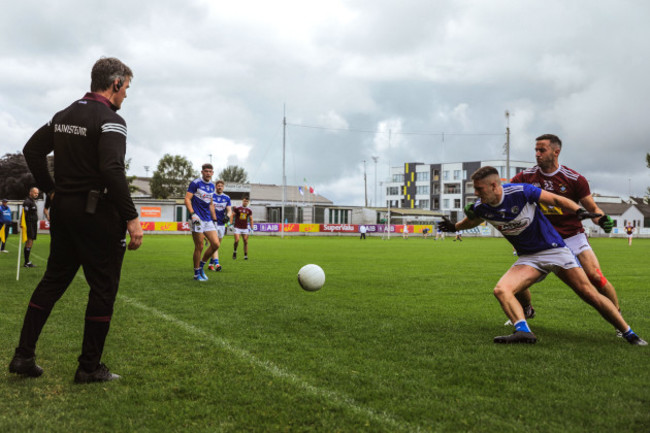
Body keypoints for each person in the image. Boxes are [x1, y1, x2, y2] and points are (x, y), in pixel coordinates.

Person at [10, 57, 143, 383]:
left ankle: (23, 356)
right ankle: (89, 367)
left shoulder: (64, 115)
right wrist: (132, 217)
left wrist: (53, 192)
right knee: (103, 287)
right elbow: (112, 169)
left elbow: (32, 150)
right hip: (98, 214)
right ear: (115, 84)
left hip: (64, 212)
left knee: (53, 281)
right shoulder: (110, 120)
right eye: (126, 88)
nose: (126, 95)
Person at [438, 166, 646, 345]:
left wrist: (578, 210)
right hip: (528, 258)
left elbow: (555, 198)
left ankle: (630, 334)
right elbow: (473, 220)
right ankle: (524, 332)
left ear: (494, 186)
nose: (476, 193)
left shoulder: (520, 191)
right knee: (502, 290)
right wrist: (454, 227)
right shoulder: (481, 206)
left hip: (555, 250)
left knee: (589, 293)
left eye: (479, 189)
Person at [510, 134, 622, 327]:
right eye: (535, 150)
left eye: (542, 150)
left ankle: (617, 316)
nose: (537, 154)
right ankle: (527, 309)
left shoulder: (574, 179)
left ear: (556, 152)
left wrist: (602, 220)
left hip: (572, 236)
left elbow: (593, 210)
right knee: (516, 284)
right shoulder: (526, 177)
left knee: (595, 276)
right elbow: (504, 194)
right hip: (541, 240)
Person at [185, 164, 220, 281]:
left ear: (213, 173)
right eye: (206, 171)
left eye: (210, 171)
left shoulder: (211, 186)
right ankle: (196, 274)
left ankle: (201, 267)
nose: (208, 173)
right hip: (197, 218)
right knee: (199, 246)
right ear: (202, 172)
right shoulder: (195, 183)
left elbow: (210, 204)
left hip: (207, 219)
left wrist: (214, 219)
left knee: (216, 244)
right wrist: (192, 213)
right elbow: (187, 199)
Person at [208, 179, 232, 271]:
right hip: (212, 223)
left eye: (221, 185)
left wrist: (228, 216)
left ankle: (210, 264)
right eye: (218, 185)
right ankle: (217, 264)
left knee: (216, 246)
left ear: (223, 187)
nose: (220, 187)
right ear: (216, 187)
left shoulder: (227, 198)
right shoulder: (211, 196)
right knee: (214, 243)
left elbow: (229, 210)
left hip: (222, 224)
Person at [22, 187, 40, 267]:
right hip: (29, 224)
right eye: (35, 193)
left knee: (31, 241)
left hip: (33, 224)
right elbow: (24, 214)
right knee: (29, 241)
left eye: (37, 193)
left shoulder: (33, 201)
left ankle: (27, 262)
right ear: (30, 192)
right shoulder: (27, 201)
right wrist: (21, 223)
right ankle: (26, 262)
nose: (36, 194)